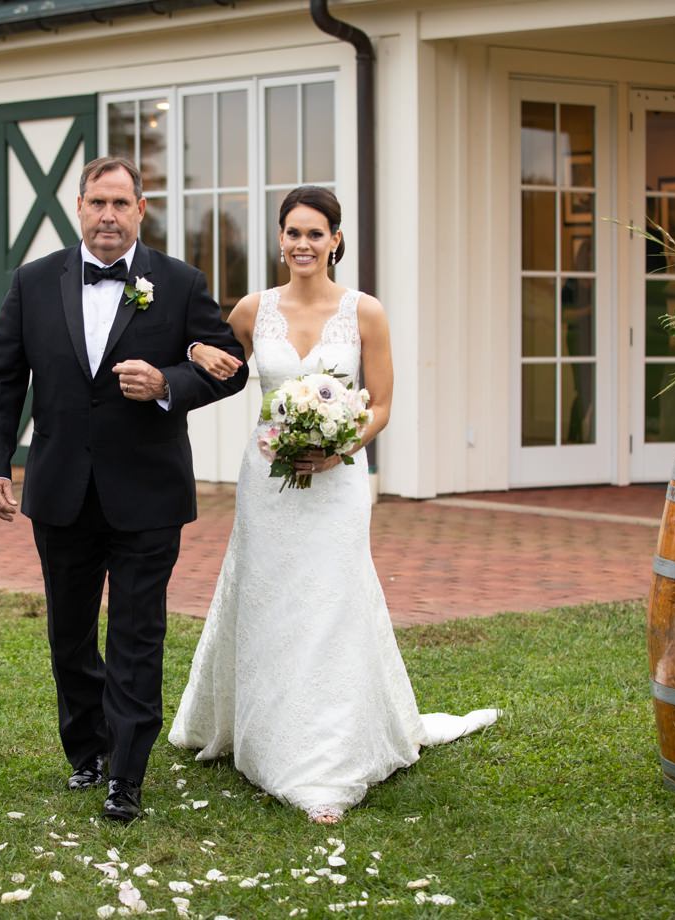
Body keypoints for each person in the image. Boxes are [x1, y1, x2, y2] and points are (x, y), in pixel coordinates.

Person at [167, 185, 497, 824]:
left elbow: (382, 405)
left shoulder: (365, 312)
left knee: (331, 600)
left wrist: (339, 444)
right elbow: (211, 353)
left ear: (336, 241)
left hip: (339, 483)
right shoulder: (251, 310)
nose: (302, 245)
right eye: (292, 233)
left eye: (315, 234)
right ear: (279, 239)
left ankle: (325, 759)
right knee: (268, 596)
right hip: (266, 482)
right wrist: (186, 352)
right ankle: (259, 728)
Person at [0, 156, 250, 823]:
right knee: (70, 634)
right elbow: (1, 380)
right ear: (79, 206)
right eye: (97, 202)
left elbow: (228, 368)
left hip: (147, 494)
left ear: (141, 209)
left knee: (136, 635)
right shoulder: (34, 282)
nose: (108, 216)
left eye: (121, 204)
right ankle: (86, 754)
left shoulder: (179, 283)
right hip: (61, 489)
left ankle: (127, 775)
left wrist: (169, 385)